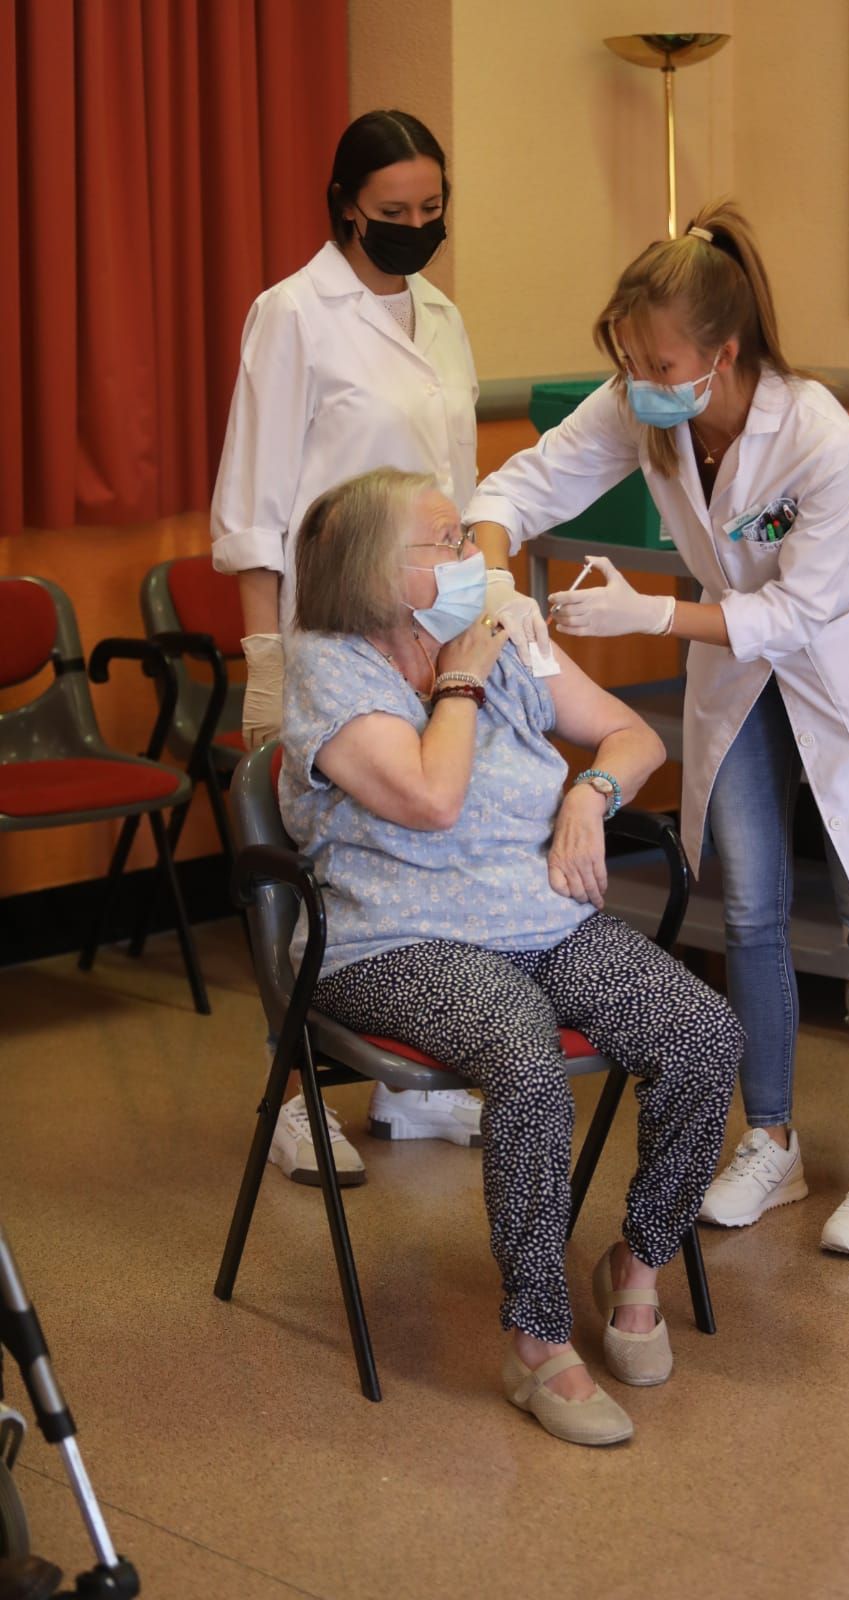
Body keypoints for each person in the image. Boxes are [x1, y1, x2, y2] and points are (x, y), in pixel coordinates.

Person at [464, 201, 849, 1260]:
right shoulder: (646, 407)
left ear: (721, 355)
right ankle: (769, 1141)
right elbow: (521, 482)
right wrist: (495, 573)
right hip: (739, 672)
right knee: (754, 910)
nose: (638, 375)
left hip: (841, 668)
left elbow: (793, 609)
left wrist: (649, 614)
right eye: (628, 356)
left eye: (657, 358)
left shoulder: (814, 429)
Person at [279, 467, 743, 1445]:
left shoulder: (499, 631)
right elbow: (430, 796)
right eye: (445, 544)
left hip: (545, 922)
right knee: (526, 1061)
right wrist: (459, 673)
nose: (471, 560)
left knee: (702, 1031)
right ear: (376, 568)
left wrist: (590, 796)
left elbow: (629, 733)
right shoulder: (332, 666)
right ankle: (535, 1341)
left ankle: (636, 1264)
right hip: (396, 942)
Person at [211, 111, 543, 1181]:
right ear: (346, 203)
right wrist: (264, 659)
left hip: (425, 623)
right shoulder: (292, 314)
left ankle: (421, 1083)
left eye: (431, 211)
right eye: (391, 212)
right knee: (318, 861)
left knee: (420, 851)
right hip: (330, 629)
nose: (413, 227)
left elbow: (459, 472)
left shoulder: (440, 313)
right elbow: (255, 502)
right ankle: (297, 1090)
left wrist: (485, 587)